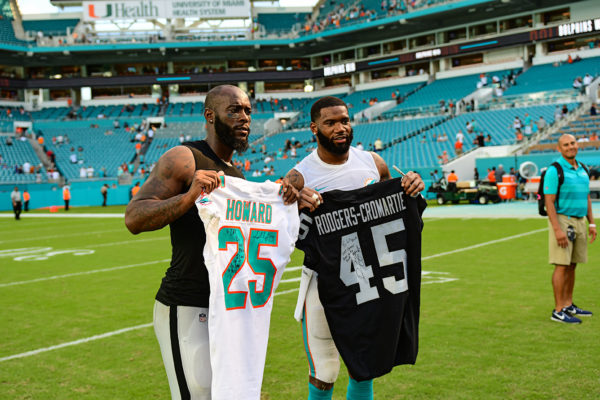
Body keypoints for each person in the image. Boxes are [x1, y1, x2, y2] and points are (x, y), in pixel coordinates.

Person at [124, 85, 298, 400]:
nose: (244, 118)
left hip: (228, 310)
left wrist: (283, 199)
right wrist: (189, 197)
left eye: (247, 110)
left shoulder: (239, 179)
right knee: (198, 394)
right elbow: (134, 218)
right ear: (210, 115)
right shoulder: (185, 158)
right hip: (186, 303)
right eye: (234, 110)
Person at [283, 96, 424, 400]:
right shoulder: (299, 175)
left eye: (344, 120)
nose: (340, 128)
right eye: (330, 122)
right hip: (324, 282)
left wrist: (409, 185)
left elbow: (393, 200)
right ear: (313, 128)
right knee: (324, 372)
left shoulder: (373, 162)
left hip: (370, 280)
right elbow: (283, 230)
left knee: (366, 365)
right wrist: (297, 206)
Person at [543, 134, 596, 324]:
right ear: (559, 149)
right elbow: (549, 201)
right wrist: (557, 229)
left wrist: (591, 223)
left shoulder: (583, 168)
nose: (570, 147)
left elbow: (586, 197)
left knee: (573, 265)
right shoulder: (554, 170)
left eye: (573, 143)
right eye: (565, 145)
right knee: (561, 265)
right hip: (563, 220)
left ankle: (568, 304)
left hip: (580, 221)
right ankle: (558, 310)